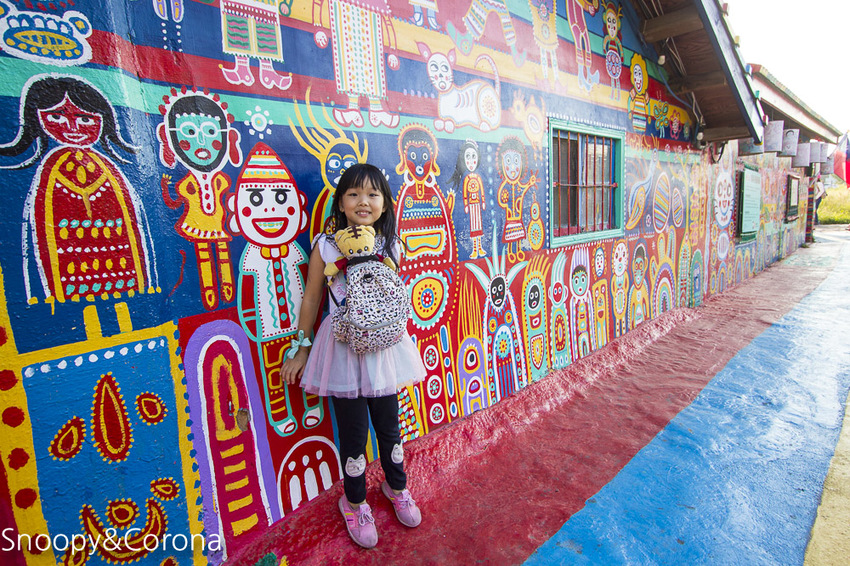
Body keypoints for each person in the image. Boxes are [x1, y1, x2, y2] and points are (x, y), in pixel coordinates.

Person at [281, 163, 426, 548]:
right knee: (354, 433)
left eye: (373, 194)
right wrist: (301, 348)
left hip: (382, 350)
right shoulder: (325, 245)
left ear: (385, 204)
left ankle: (397, 487)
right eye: (354, 194)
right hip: (342, 351)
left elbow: (390, 296)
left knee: (390, 428)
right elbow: (312, 298)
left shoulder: (391, 245)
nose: (364, 201)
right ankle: (355, 501)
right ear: (341, 203)